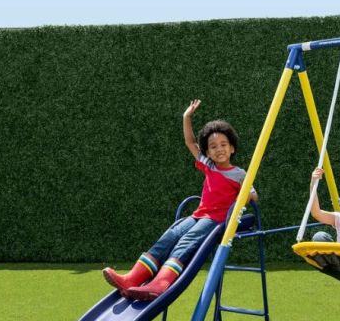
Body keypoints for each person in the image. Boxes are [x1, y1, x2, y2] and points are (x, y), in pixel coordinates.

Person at [103, 99, 257, 301]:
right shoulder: (209, 165)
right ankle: (132, 278)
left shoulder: (240, 174)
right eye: (213, 146)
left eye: (223, 145)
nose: (219, 149)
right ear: (208, 152)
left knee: (187, 240)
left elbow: (254, 196)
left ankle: (161, 283)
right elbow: (190, 142)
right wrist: (186, 117)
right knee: (169, 235)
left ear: (232, 148)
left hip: (216, 219)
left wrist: (243, 199)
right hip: (199, 214)